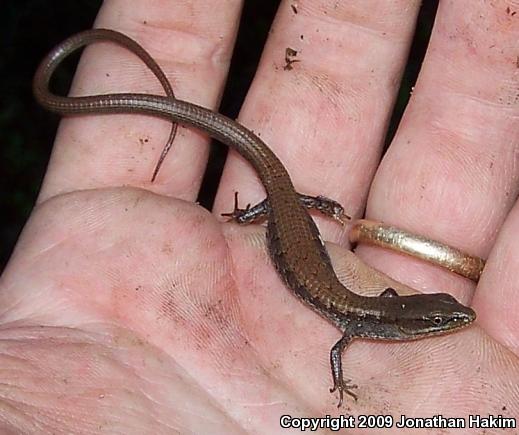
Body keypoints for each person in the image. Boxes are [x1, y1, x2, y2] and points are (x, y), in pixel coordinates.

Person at [1, 1, 518, 432]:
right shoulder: (356, 322)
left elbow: (371, 314)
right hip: (288, 223)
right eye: (440, 319)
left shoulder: (364, 317)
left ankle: (263, 210)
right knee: (283, 210)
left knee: (287, 210)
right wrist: (337, 387)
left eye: (441, 318)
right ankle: (258, 211)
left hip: (296, 222)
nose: (449, 322)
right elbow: (337, 353)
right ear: (408, 326)